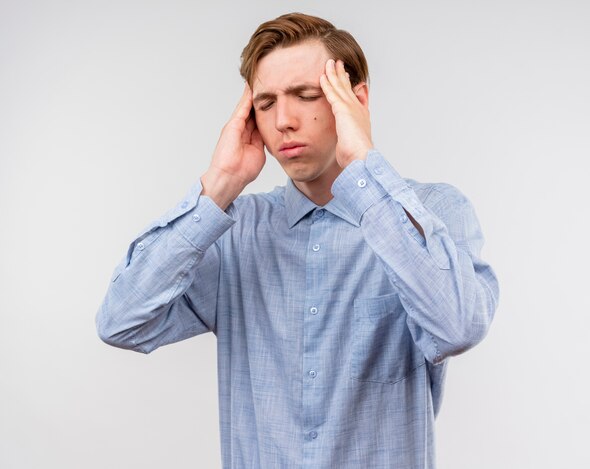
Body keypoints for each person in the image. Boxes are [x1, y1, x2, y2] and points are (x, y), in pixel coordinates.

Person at [96, 12, 499, 468]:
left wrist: (365, 166)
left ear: (355, 101)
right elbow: (121, 321)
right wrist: (220, 185)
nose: (283, 120)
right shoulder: (236, 233)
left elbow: (458, 326)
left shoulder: (430, 214)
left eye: (305, 95)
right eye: (265, 104)